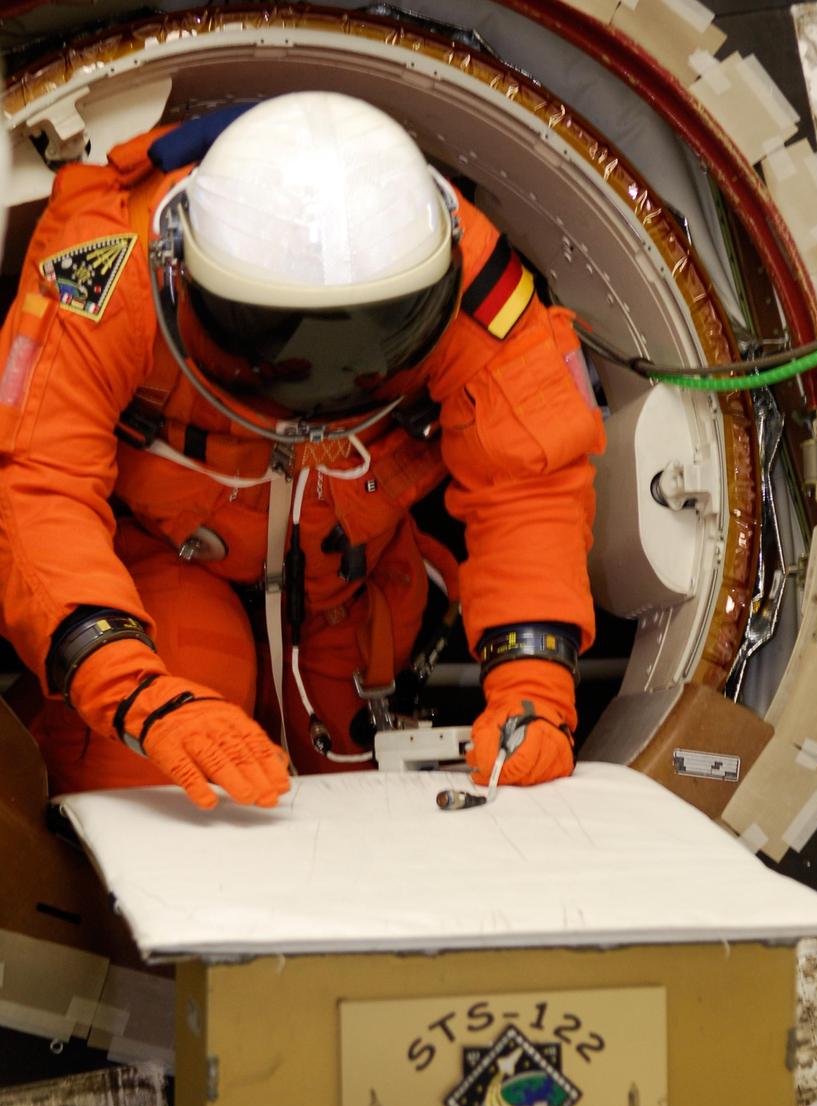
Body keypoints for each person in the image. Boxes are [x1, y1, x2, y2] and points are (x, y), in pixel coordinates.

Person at [0, 92, 604, 811]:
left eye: (371, 340)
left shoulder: (467, 274)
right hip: (162, 565)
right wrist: (129, 688)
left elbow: (528, 479)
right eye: (283, 344)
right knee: (156, 771)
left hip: (348, 588)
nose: (328, 377)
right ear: (184, 271)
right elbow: (37, 483)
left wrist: (534, 686)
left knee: (354, 801)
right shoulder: (107, 269)